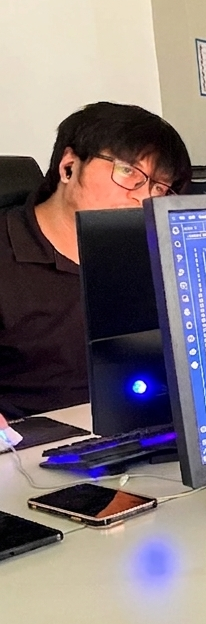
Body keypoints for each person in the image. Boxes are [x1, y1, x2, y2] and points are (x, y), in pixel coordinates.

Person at [0, 102, 190, 422]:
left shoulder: (157, 254)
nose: (143, 198)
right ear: (69, 166)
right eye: (129, 171)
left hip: (140, 432)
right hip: (27, 448)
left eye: (160, 187)